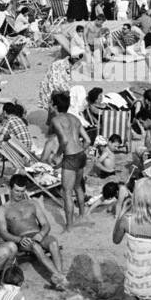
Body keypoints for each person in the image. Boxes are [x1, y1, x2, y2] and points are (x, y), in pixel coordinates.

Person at [0, 174, 68, 290]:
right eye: (17, 191)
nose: (20, 194)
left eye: (22, 191)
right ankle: (61, 278)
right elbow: (3, 232)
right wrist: (19, 240)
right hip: (22, 239)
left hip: (38, 235)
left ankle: (58, 279)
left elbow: (46, 225)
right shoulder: (4, 209)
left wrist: (40, 234)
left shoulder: (33, 203)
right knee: (36, 247)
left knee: (54, 242)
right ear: (10, 189)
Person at [43, 90, 89, 229]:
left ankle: (69, 226)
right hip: (81, 154)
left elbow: (63, 141)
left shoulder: (56, 120)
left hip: (70, 157)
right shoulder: (74, 118)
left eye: (51, 103)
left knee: (67, 192)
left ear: (55, 106)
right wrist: (79, 150)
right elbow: (87, 140)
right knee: (78, 187)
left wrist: (57, 156)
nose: (49, 106)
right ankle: (81, 215)